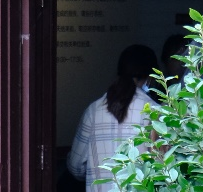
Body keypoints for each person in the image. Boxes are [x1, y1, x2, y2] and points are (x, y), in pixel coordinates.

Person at [67, 44, 158, 192]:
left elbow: (75, 166)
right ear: (150, 78)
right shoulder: (154, 111)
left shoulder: (93, 111)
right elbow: (163, 168)